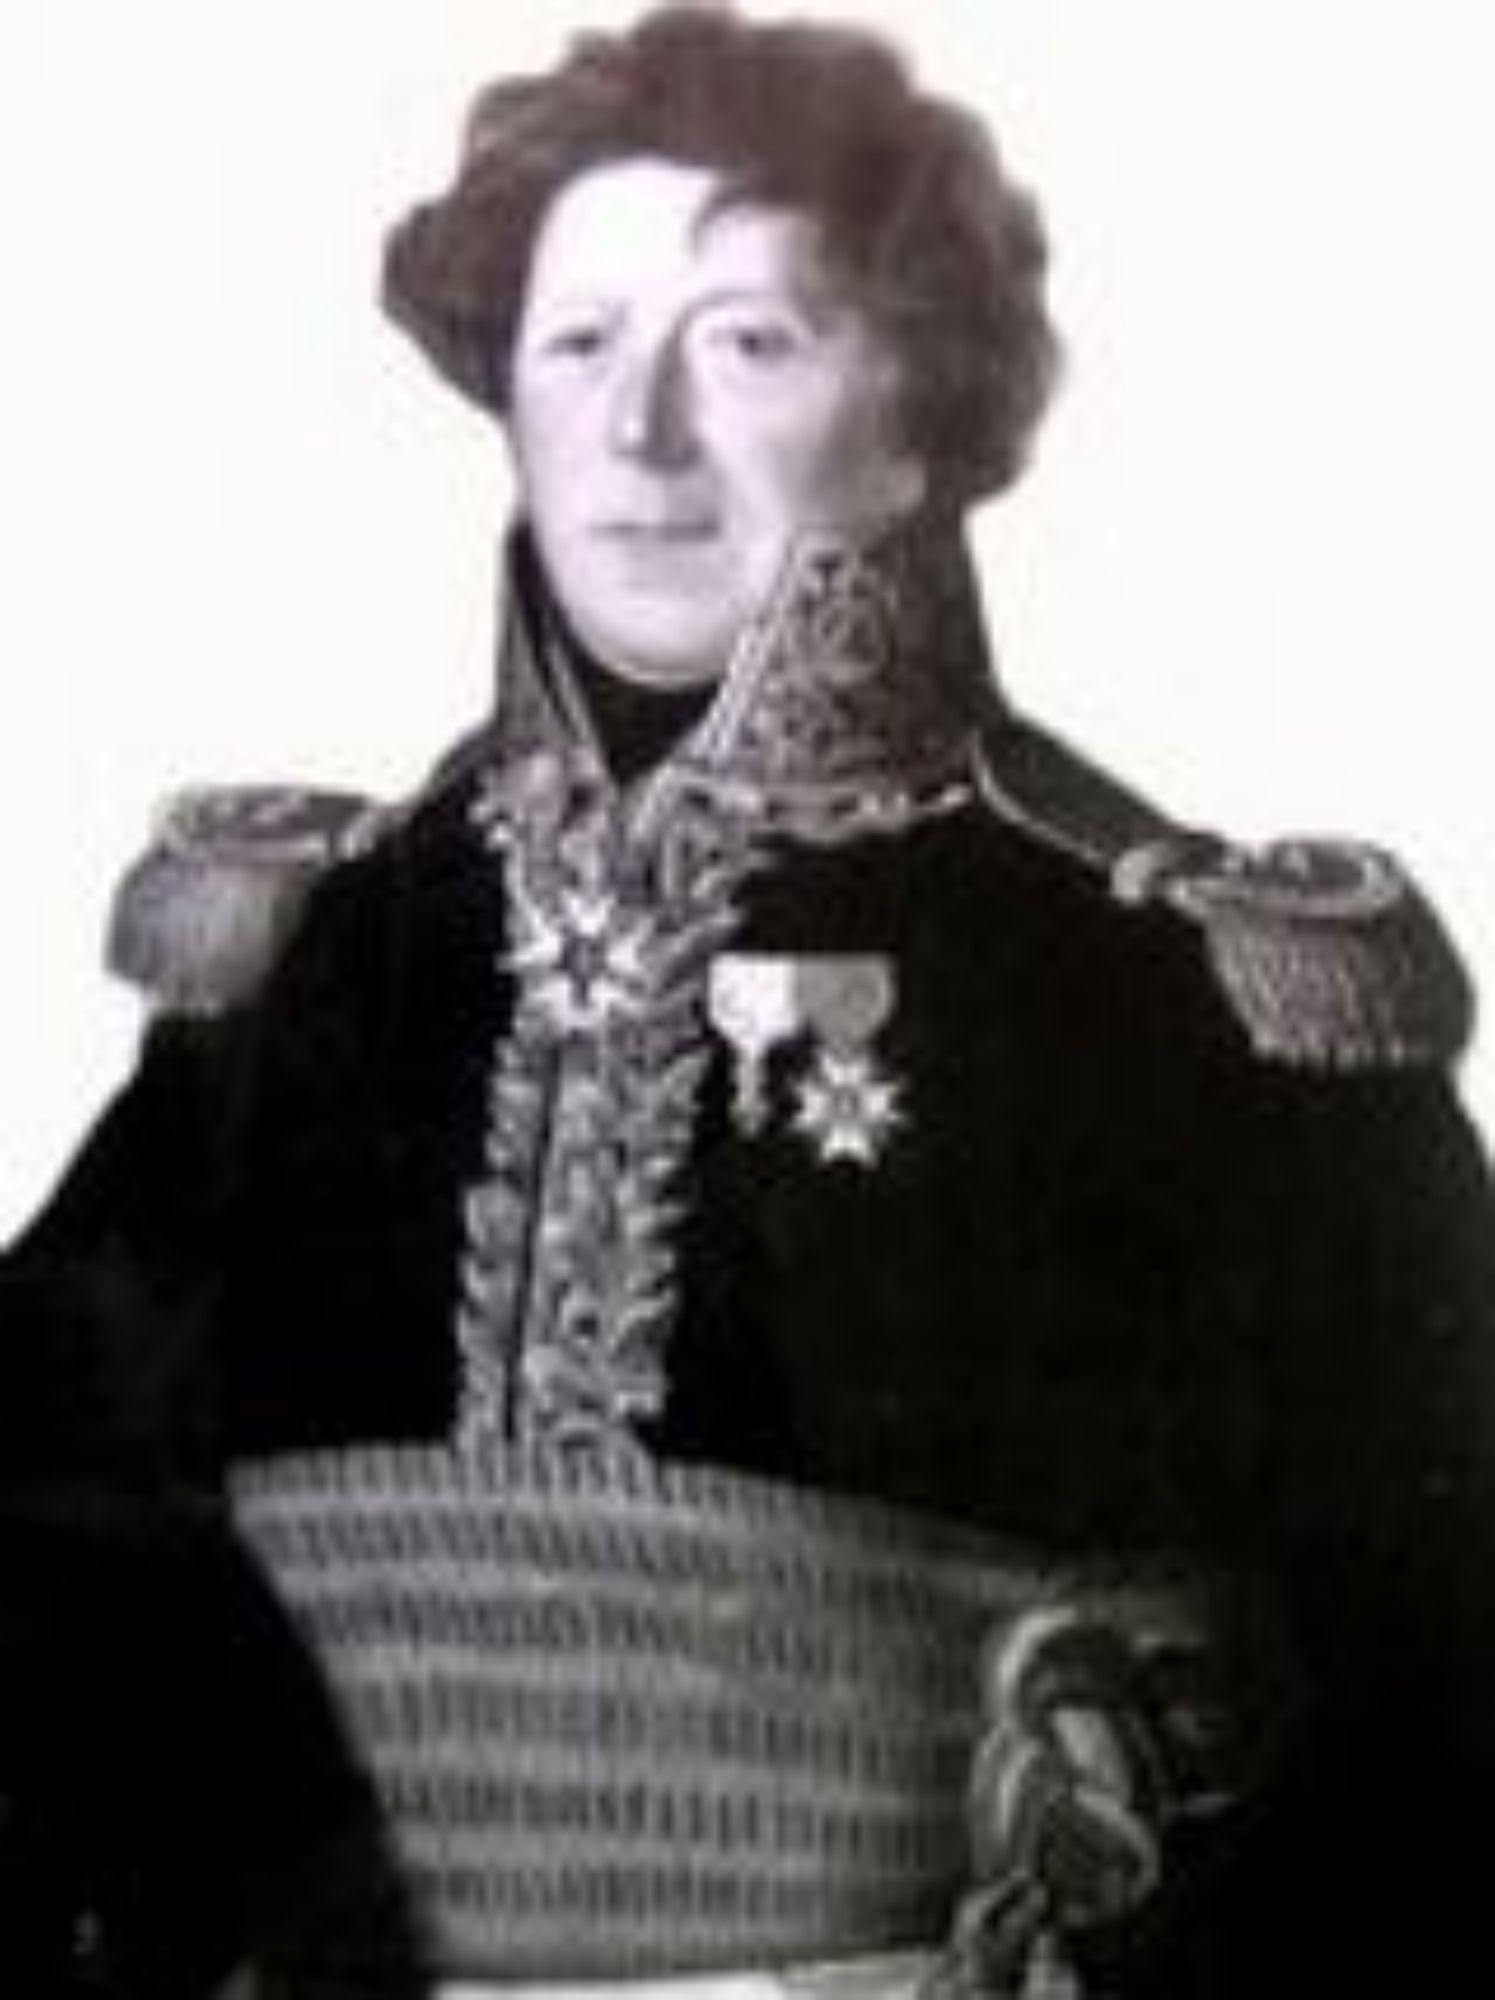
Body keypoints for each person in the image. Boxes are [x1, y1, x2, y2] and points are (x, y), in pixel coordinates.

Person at [3, 5, 1494, 1995]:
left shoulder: (1184, 994)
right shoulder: (326, 955)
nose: (638, 435)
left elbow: (1441, 1691)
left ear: (924, 406)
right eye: (578, 344)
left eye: (748, 342)